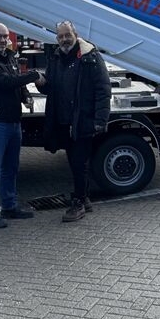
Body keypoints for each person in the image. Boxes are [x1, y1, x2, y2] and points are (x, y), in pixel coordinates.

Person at [39, 20, 111, 222]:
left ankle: (78, 203)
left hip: (82, 120)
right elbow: (50, 87)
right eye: (60, 36)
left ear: (75, 34)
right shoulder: (55, 57)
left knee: (79, 163)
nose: (64, 39)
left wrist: (100, 120)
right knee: (75, 162)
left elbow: (103, 89)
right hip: (63, 121)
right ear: (56, 38)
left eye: (67, 35)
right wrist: (40, 83)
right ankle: (85, 198)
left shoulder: (90, 56)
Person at [0, 22, 43, 228]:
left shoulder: (10, 58)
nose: (2, 40)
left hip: (13, 122)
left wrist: (26, 96)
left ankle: (9, 206)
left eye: (5, 36)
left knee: (10, 169)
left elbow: (16, 83)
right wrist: (34, 75)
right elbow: (5, 82)